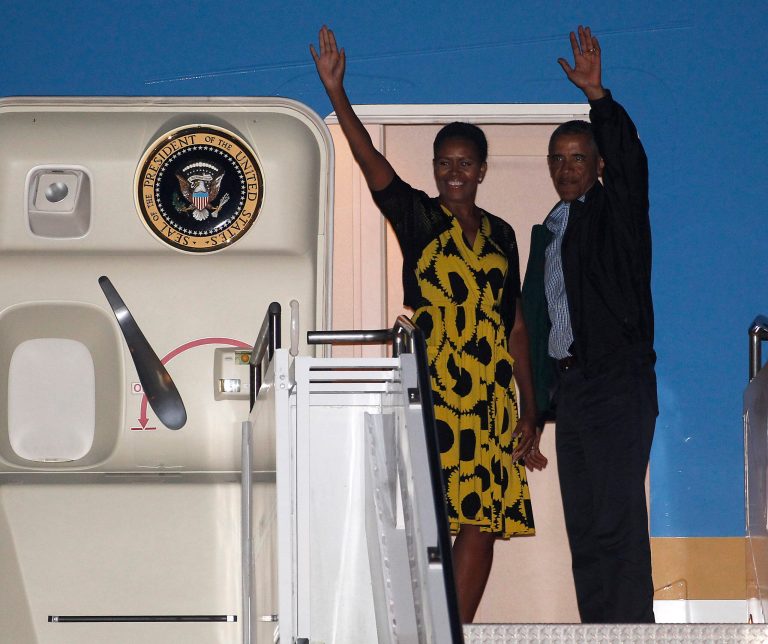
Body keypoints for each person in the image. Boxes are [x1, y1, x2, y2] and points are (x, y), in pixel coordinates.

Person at [310, 25, 547, 623]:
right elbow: (371, 163)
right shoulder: (418, 217)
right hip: (436, 389)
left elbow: (514, 323)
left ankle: (455, 632)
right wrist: (338, 93)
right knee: (429, 515)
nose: (453, 174)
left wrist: (530, 406)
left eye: (464, 164)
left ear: (483, 169)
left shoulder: (501, 235)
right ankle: (421, 626)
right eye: (444, 164)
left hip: (490, 393)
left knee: (481, 519)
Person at [522, 25, 657, 623]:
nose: (566, 168)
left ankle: (632, 631)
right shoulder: (551, 228)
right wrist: (542, 403)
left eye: (579, 158)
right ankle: (599, 631)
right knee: (583, 524)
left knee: (616, 520)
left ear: (598, 164)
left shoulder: (616, 212)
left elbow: (630, 164)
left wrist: (598, 98)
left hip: (618, 382)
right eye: (558, 159)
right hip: (574, 391)